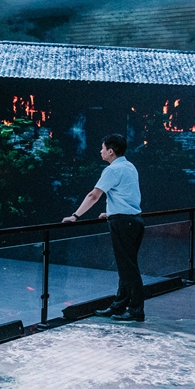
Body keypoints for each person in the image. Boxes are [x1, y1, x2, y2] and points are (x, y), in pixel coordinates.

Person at [63, 133, 145, 322]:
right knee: (127, 266)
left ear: (110, 151)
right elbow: (128, 195)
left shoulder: (112, 170)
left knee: (128, 269)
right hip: (134, 220)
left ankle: (136, 310)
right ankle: (119, 305)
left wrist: (75, 216)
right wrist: (111, 212)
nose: (100, 151)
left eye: (102, 148)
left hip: (123, 223)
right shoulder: (130, 166)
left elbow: (94, 195)